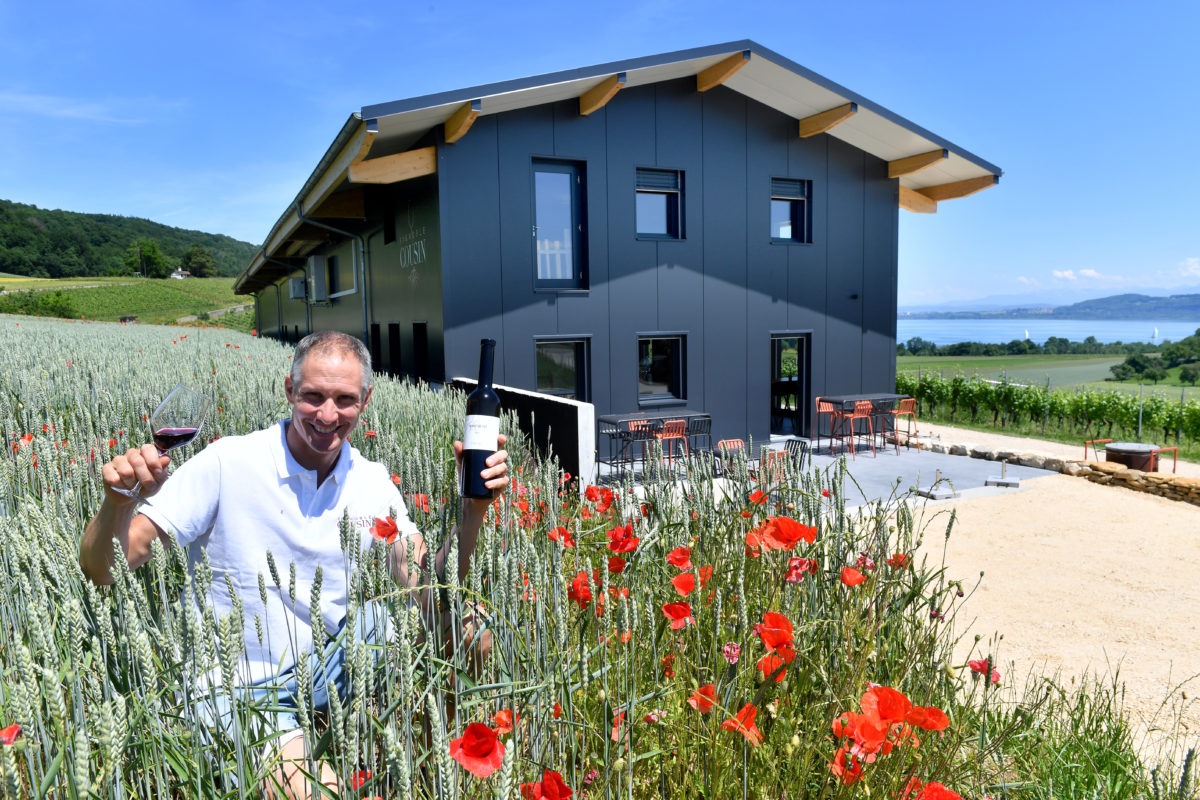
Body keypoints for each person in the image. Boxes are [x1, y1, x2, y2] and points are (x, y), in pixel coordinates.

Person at [79, 330, 509, 799]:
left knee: (474, 629)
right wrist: (116, 504)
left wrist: (474, 511)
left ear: (366, 400)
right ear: (288, 390)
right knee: (313, 793)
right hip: (239, 683)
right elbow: (104, 569)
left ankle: (430, 766)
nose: (327, 415)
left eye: (344, 399)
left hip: (330, 661)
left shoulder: (370, 480)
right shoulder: (229, 462)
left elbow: (427, 589)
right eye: (313, 396)